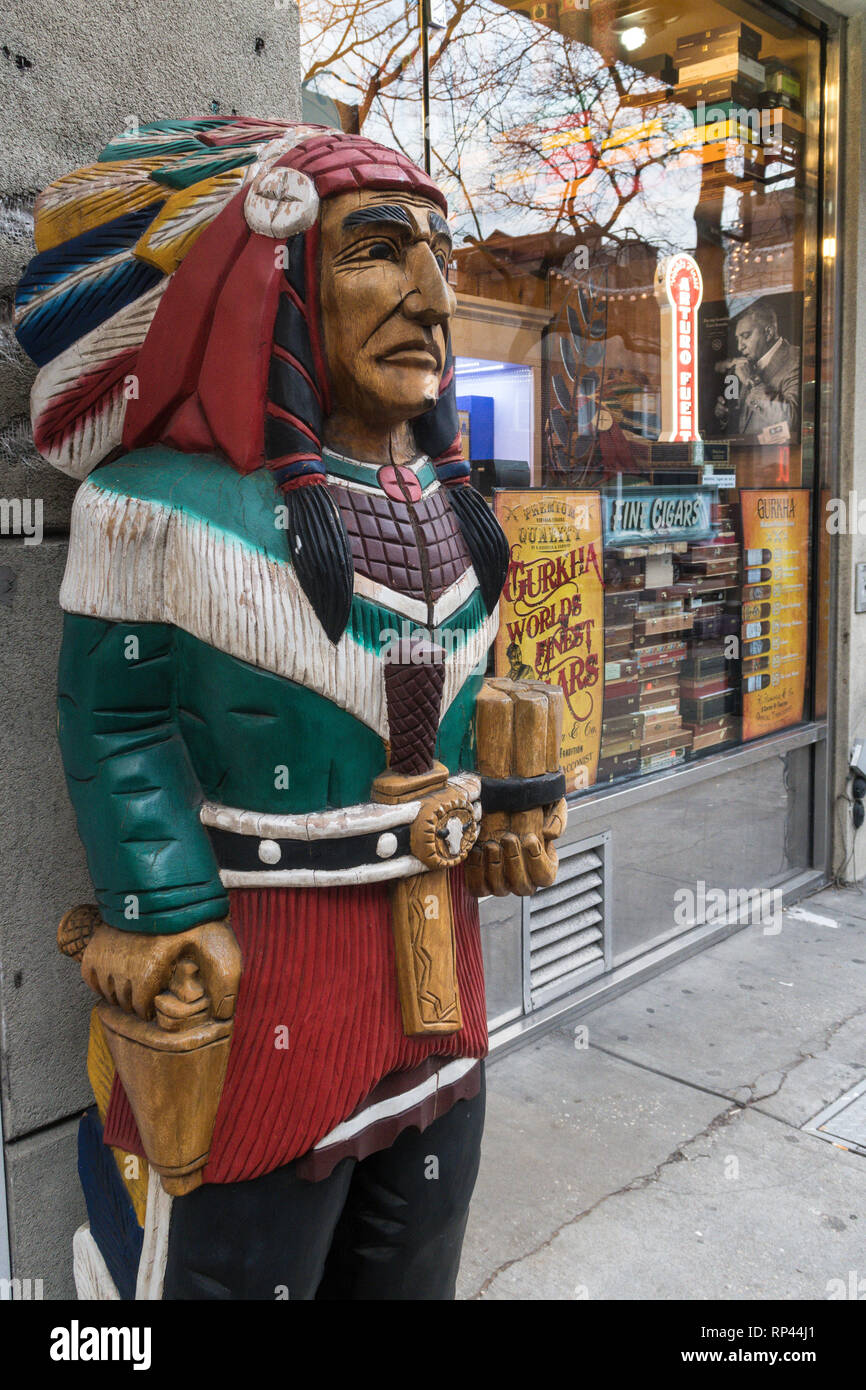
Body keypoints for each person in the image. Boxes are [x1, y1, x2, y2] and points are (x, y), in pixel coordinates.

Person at [17, 119, 566, 1301]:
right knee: (238, 1269)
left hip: (441, 968)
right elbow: (111, 720)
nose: (431, 295)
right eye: (378, 248)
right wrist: (159, 903)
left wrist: (516, 779)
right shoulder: (151, 505)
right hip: (267, 975)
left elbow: (472, 684)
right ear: (275, 280)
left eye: (441, 256)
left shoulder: (459, 507)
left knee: (416, 1250)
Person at [713, 300, 800, 439]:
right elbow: (748, 420)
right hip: (749, 456)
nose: (740, 346)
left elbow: (790, 420)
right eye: (737, 339)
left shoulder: (795, 359)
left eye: (745, 336)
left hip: (776, 457)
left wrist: (751, 380)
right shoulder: (751, 364)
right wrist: (727, 416)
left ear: (768, 332)